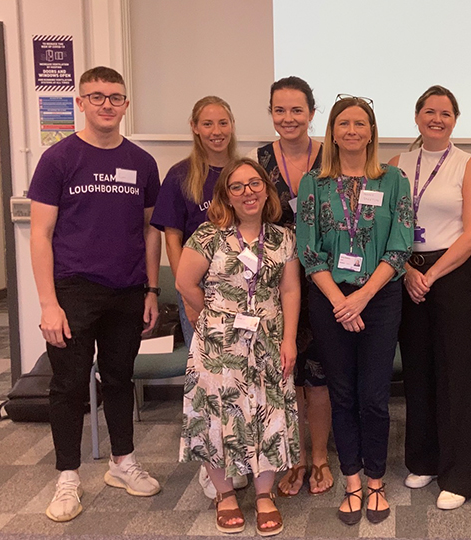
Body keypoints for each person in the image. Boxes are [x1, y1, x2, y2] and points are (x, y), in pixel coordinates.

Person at [29, 66, 162, 523]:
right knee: (67, 385)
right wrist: (48, 302)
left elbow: (149, 230)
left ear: (126, 105)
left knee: (120, 378)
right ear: (80, 103)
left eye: (115, 97)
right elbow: (41, 235)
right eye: (97, 96)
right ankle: (68, 475)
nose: (107, 104)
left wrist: (151, 289)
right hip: (73, 290)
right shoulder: (58, 159)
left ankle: (122, 462)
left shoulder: (143, 162)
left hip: (127, 289)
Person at [295, 95, 412, 525]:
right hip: (330, 299)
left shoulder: (394, 180)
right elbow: (308, 251)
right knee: (341, 393)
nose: (351, 130)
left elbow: (400, 246)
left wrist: (361, 298)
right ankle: (352, 481)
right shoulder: (315, 183)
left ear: (371, 131)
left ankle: (377, 481)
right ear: (332, 131)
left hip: (378, 298)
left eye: (360, 123)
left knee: (375, 395)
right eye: (343, 123)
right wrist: (341, 300)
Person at [176, 157, 300, 536]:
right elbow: (185, 283)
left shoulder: (282, 238)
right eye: (238, 187)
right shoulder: (207, 235)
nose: (248, 192)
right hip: (218, 343)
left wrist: (290, 339)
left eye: (255, 184)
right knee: (216, 415)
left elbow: (290, 289)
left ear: (266, 189)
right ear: (226, 196)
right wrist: (208, 320)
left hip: (268, 341)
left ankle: (264, 495)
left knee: (267, 413)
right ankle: (225, 494)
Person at [388, 86, 471, 511]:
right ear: (416, 117)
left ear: (455, 120)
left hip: (452, 274)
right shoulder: (396, 165)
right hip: (407, 273)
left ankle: (460, 474)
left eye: (445, 113)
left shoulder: (468, 166)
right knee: (419, 371)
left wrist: (430, 273)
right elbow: (387, 226)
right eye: (429, 111)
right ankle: (424, 459)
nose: (436, 118)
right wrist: (408, 270)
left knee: (457, 376)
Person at [149, 96, 248, 497]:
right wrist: (187, 295)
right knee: (208, 384)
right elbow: (172, 237)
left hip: (241, 298)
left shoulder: (243, 172)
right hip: (200, 296)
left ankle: (239, 455)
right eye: (207, 124)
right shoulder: (180, 176)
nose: (216, 131)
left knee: (239, 382)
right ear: (194, 127)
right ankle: (212, 465)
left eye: (223, 122)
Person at [247, 76, 333, 497]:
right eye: (280, 110)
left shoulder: (332, 155)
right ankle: (293, 457)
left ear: (312, 114)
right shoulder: (259, 160)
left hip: (327, 279)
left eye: (297, 110)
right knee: (286, 374)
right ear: (271, 113)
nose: (288, 118)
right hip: (277, 281)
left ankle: (319, 457)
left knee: (319, 375)